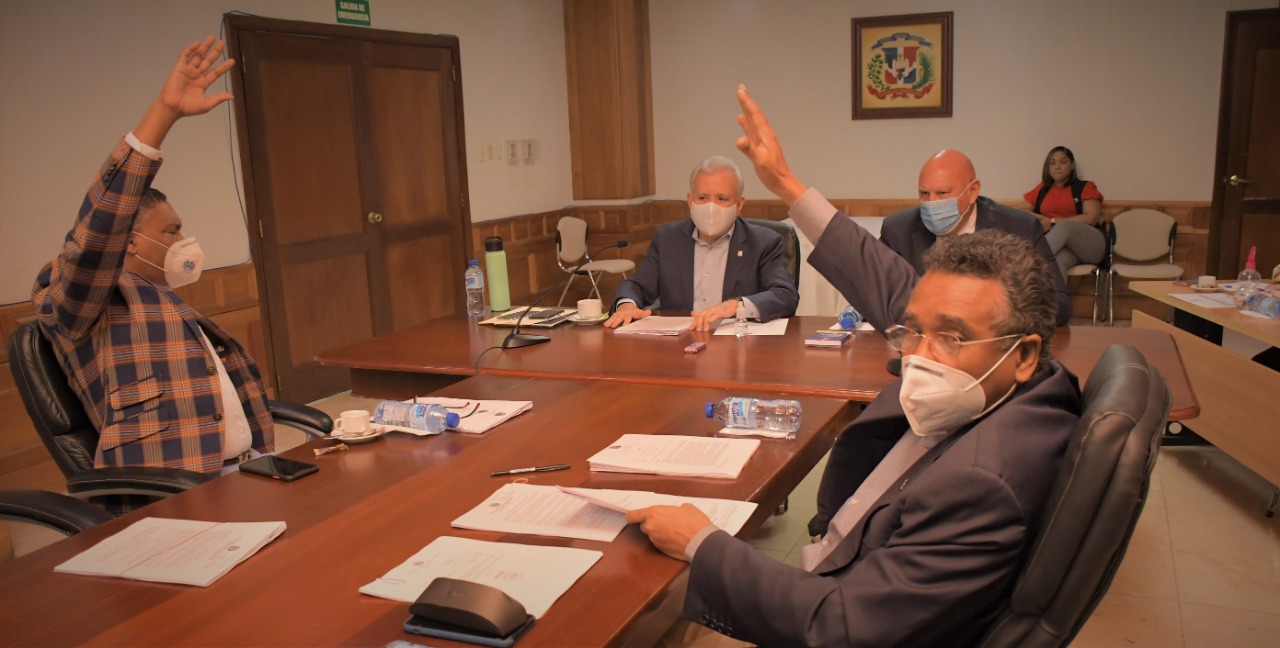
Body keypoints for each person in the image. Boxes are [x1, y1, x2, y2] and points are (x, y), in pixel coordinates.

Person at [628, 226, 1083, 647]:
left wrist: (701, 543)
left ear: (1024, 355)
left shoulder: (981, 483)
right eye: (913, 332)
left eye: (951, 338)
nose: (918, 360)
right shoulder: (1014, 395)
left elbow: (841, 628)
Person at [32, 37, 275, 480]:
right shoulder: (80, 299)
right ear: (127, 241)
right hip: (180, 491)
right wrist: (164, 114)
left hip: (247, 470)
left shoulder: (161, 298)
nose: (183, 240)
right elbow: (97, 230)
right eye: (170, 231)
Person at [604, 156, 799, 331]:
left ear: (739, 204)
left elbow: (785, 295)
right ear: (690, 200)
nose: (711, 207)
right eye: (703, 198)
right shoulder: (668, 239)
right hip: (679, 345)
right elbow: (637, 285)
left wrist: (736, 306)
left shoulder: (763, 242)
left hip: (738, 346)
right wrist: (627, 305)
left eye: (722, 199)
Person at [1019, 146, 1107, 277]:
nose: (1057, 167)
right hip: (1063, 248)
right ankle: (1059, 293)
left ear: (1072, 165)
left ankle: (1027, 261)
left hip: (1090, 245)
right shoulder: (1043, 189)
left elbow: (1091, 218)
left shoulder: (1085, 187)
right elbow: (1021, 211)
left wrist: (1052, 222)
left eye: (1063, 162)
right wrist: (1041, 219)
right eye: (1052, 163)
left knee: (1066, 225)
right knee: (1056, 263)